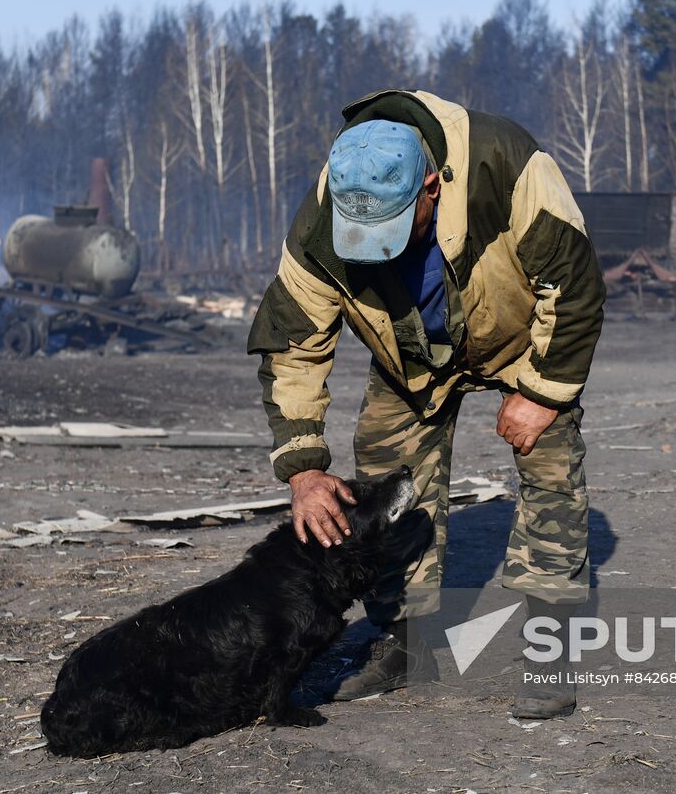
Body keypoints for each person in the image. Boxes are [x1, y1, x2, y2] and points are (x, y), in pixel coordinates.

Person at [247, 89, 605, 718]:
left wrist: (543, 393)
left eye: (389, 228)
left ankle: (550, 646)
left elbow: (572, 284)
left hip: (519, 338)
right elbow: (294, 344)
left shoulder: (506, 162)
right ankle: (406, 643)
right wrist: (302, 468)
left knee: (550, 465)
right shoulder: (323, 216)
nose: (368, 245)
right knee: (387, 475)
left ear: (433, 188)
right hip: (412, 356)